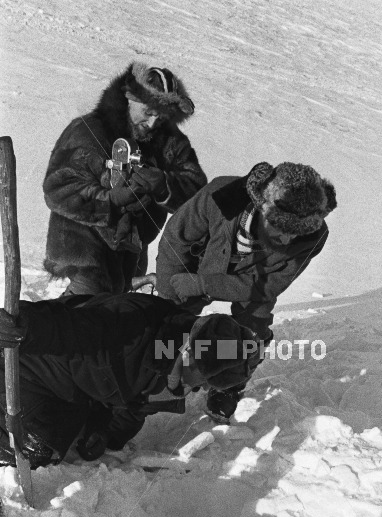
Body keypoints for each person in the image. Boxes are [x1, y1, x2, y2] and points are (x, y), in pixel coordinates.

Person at [149, 161, 337, 422]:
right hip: (195, 266)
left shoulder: (312, 236)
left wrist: (205, 285)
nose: (285, 240)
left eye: (293, 235)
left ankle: (228, 384)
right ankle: (158, 373)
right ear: (262, 209)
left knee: (252, 334)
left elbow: (267, 287)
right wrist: (169, 296)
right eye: (280, 229)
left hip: (250, 283)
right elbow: (175, 238)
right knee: (168, 326)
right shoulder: (221, 196)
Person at [0, 298, 257, 471]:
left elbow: (135, 406)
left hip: (73, 387)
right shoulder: (130, 328)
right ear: (192, 354)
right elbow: (66, 326)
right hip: (29, 365)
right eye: (205, 380)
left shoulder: (172, 361)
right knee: (34, 449)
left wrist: (105, 432)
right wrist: (24, 326)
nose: (200, 388)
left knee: (66, 433)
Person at [43, 61, 207, 296]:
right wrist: (110, 199)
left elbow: (197, 195)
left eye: (160, 117)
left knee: (115, 315)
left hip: (130, 251)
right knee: (84, 309)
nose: (152, 123)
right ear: (129, 98)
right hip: (82, 248)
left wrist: (163, 186)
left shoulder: (170, 141)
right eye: (148, 113)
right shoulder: (88, 130)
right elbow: (59, 189)